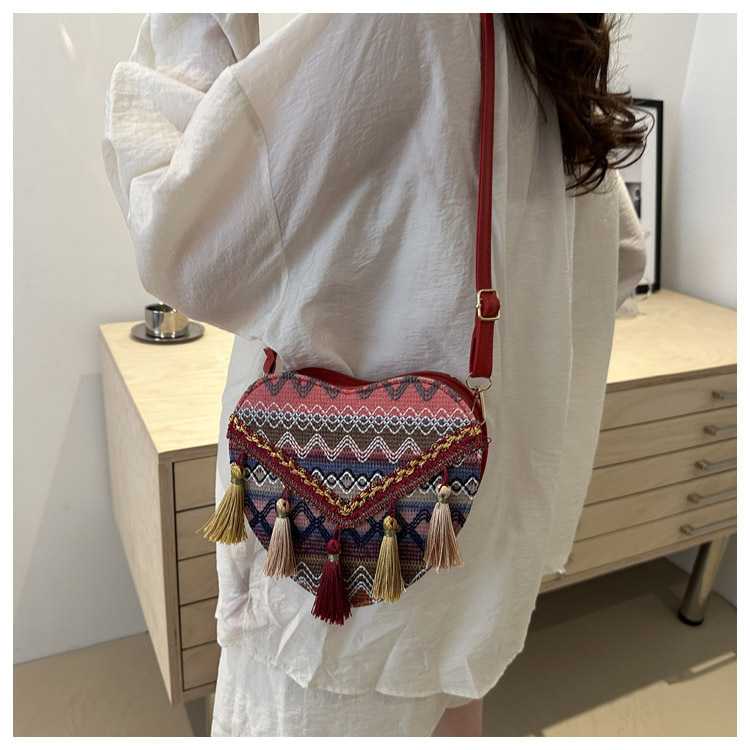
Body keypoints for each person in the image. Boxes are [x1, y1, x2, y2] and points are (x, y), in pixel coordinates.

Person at [102, 13, 647, 737]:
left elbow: (184, 240)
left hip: (330, 633)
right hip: (470, 551)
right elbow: (622, 256)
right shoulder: (542, 31)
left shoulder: (381, 22)